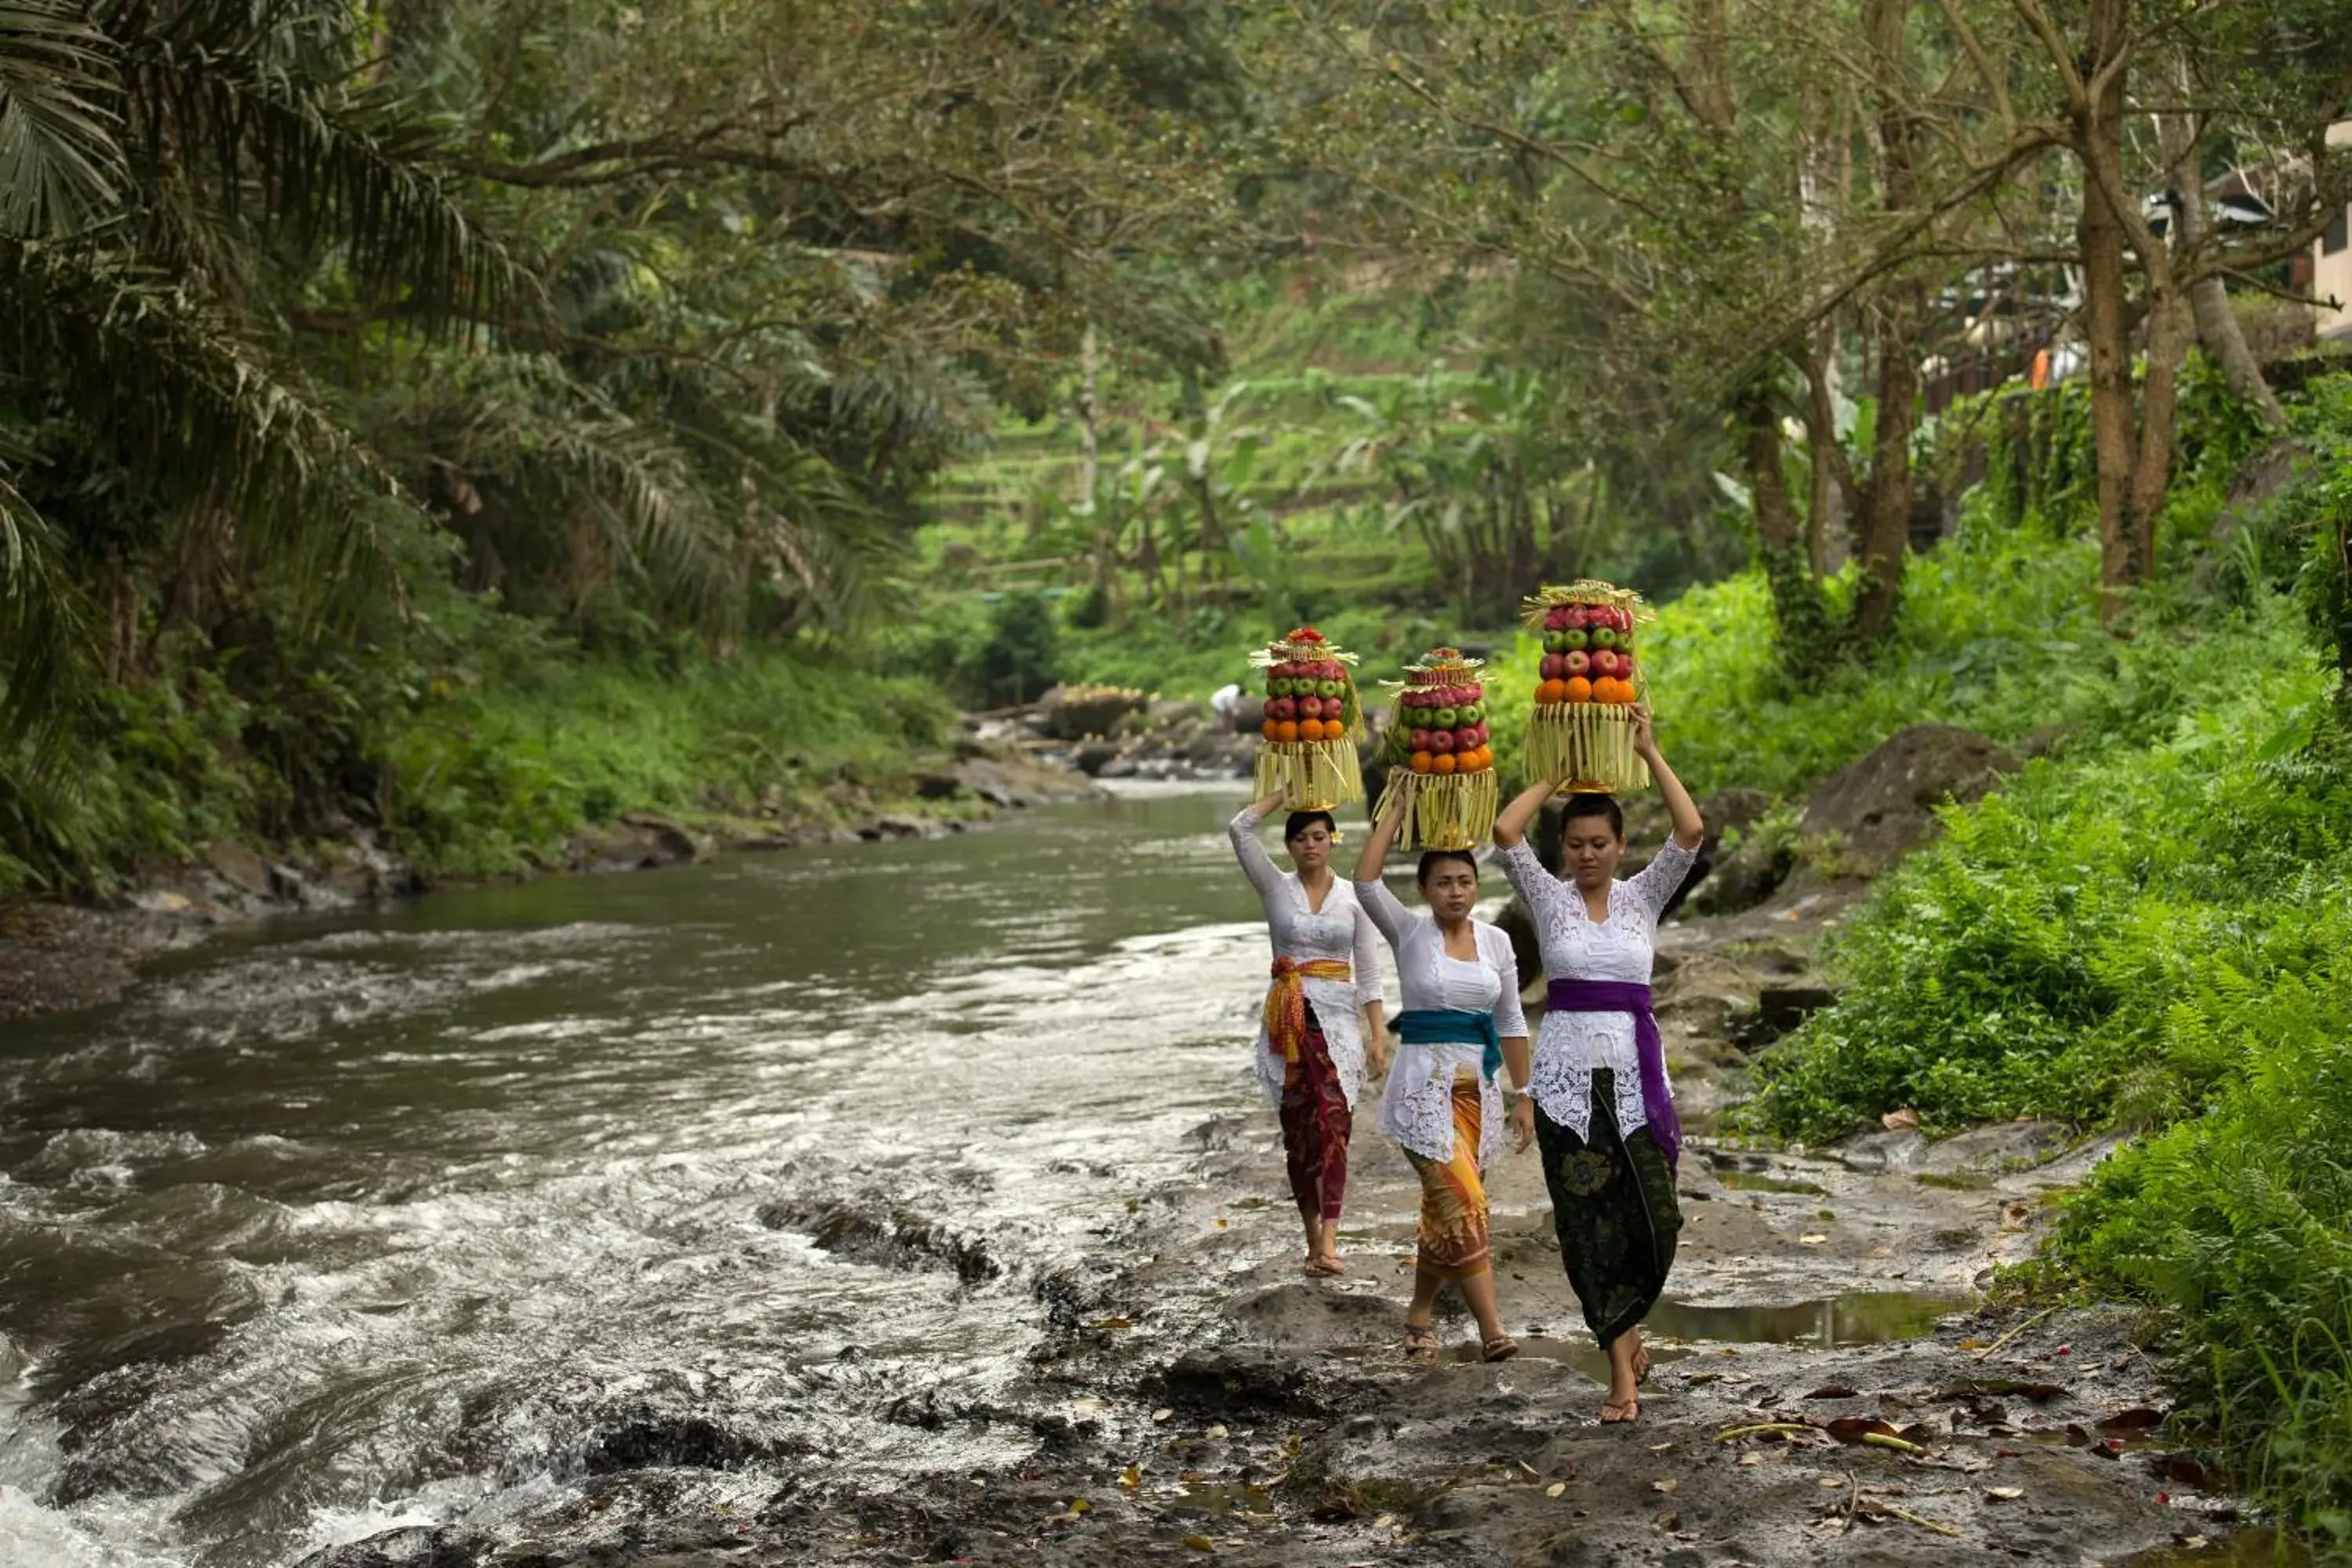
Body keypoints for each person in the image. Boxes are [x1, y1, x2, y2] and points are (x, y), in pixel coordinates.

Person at [1492, 707, 1703, 1424]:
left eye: (1599, 843)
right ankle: (1620, 1372)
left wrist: (1649, 751)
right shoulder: (1548, 901)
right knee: (1587, 1224)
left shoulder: (1644, 896)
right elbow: (1505, 832)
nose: (1586, 854)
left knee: (1654, 1215)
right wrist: (1555, 775)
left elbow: (1691, 833)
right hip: (1564, 1084)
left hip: (1639, 1080)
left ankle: (1631, 1323)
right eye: (1575, 843)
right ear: (1564, 848)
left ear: (1619, 846)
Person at [1351, 796, 1532, 1363]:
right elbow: (1364, 881)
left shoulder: (1497, 943)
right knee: (1465, 1197)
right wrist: (1398, 811)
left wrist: (1524, 1094)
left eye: (1464, 881)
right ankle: (1492, 1330)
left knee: (1443, 1205)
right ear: (1426, 890)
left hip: (1477, 1091)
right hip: (1419, 1090)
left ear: (1476, 886)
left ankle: (1419, 1318)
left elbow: (1511, 1021)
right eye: (1443, 882)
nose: (1455, 891)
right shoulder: (1409, 933)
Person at [1230, 792, 1389, 1276]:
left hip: (1339, 1021)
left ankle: (1331, 1240)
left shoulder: (1353, 897)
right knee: (1299, 1131)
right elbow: (1239, 828)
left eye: (1319, 836)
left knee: (1334, 1125)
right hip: (1289, 1021)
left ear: (1332, 841)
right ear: (1289, 845)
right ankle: (1310, 1238)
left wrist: (1378, 1033)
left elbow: (1370, 968)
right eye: (1299, 837)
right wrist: (1284, 792)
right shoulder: (1276, 888)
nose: (1310, 845)